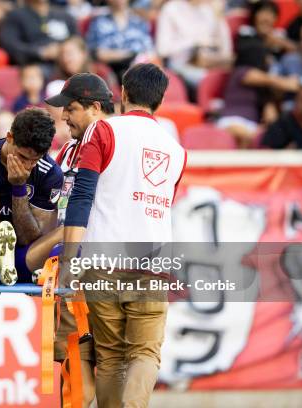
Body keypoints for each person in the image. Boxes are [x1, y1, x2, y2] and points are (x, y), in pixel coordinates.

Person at [61, 63, 186, 408]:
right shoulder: (176, 150)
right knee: (145, 353)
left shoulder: (103, 131)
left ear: (124, 93)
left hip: (104, 259)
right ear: (160, 100)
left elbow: (82, 196)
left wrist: (70, 259)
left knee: (112, 356)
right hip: (154, 261)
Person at [44, 72, 115, 408]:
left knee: (111, 363)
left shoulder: (113, 142)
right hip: (73, 272)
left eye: (70, 108)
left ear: (95, 108)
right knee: (74, 361)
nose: (64, 116)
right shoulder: (69, 150)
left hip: (101, 267)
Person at [0, 107, 63, 284]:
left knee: (66, 233)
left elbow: (29, 238)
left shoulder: (50, 173)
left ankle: (4, 263)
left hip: (20, 257)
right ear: (9, 137)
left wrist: (19, 188)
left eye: (35, 159)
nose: (28, 165)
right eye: (22, 157)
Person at [156, 0, 233, 91]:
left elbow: (226, 51)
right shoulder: (171, 8)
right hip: (181, 64)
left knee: (232, 78)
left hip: (209, 62)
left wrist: (219, 17)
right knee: (210, 80)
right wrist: (195, 42)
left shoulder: (208, 9)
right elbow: (162, 49)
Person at [0, 0, 77, 70]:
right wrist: (40, 52)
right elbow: (11, 45)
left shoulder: (63, 14)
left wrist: (62, 50)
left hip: (66, 63)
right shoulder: (16, 16)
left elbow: (78, 41)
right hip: (35, 65)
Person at [86, 0, 155, 80]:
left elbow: (150, 51)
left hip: (139, 68)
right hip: (112, 69)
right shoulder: (99, 22)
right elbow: (98, 53)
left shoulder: (139, 20)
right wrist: (130, 55)